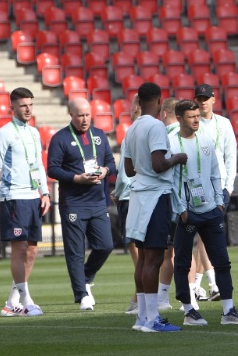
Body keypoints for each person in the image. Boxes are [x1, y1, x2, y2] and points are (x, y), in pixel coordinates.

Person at [170, 100, 238, 327]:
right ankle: (189, 311)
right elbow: (172, 180)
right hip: (188, 213)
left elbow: (215, 173)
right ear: (179, 118)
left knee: (222, 262)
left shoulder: (206, 140)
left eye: (197, 116)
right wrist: (182, 209)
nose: (196, 120)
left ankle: (228, 311)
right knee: (183, 262)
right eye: (191, 117)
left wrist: (219, 204)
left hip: (211, 210)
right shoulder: (170, 144)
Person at [124, 83, 187, 333]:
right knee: (154, 258)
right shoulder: (156, 126)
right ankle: (152, 320)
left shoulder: (132, 128)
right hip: (155, 195)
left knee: (143, 259)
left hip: (138, 194)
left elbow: (128, 169)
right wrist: (178, 158)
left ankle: (142, 317)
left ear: (139, 101)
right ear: (160, 102)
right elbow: (159, 163)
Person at [0, 87, 50, 318]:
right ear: (12, 107)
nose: (28, 109)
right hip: (13, 197)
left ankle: (12, 301)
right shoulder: (4, 133)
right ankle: (26, 300)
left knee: (32, 250)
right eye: (23, 105)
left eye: (31, 105)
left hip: (33, 197)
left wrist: (45, 192)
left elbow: (39, 165)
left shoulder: (34, 133)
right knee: (19, 248)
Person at [47, 97, 116, 311]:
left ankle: (85, 277)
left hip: (97, 201)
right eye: (80, 115)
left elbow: (111, 163)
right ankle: (81, 294)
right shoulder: (60, 138)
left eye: (87, 115)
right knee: (75, 251)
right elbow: (53, 169)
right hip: (74, 203)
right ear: (71, 115)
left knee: (106, 245)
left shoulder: (99, 135)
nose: (84, 119)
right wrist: (77, 178)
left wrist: (104, 171)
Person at [194, 83, 237, 300]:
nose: (202, 101)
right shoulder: (192, 123)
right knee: (203, 234)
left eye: (205, 98)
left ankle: (202, 284)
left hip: (219, 187)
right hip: (199, 186)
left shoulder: (224, 123)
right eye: (199, 98)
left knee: (208, 235)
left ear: (213, 99)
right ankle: (209, 284)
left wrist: (229, 187)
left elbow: (231, 156)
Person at [113, 94, 143, 315]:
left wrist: (120, 189)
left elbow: (126, 171)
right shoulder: (155, 131)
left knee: (138, 254)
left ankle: (140, 296)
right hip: (140, 194)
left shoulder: (132, 133)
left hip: (131, 196)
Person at [156, 97, 180, 311]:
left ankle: (161, 297)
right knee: (185, 251)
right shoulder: (189, 136)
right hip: (192, 202)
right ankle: (189, 295)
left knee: (163, 252)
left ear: (163, 114)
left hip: (169, 202)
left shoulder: (165, 138)